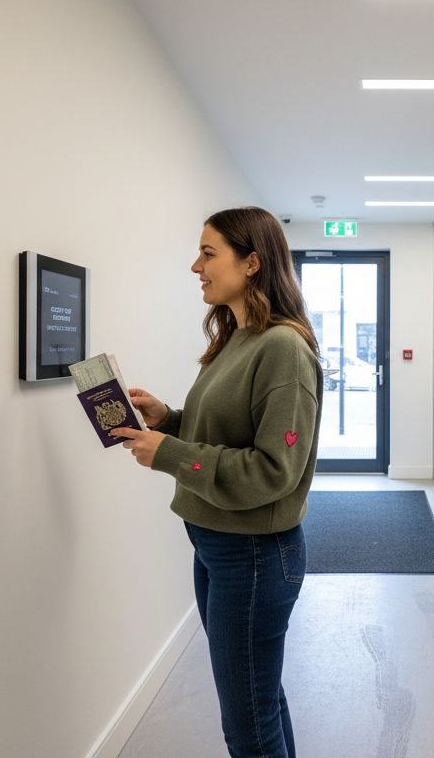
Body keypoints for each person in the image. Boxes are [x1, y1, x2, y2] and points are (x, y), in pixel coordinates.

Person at [110, 206, 322, 758]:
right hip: (215, 546)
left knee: (249, 725)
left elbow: (274, 471)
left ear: (252, 263)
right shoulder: (238, 338)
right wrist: (168, 420)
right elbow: (228, 434)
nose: (194, 266)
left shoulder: (283, 349)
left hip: (253, 555)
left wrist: (170, 453)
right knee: (260, 702)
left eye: (208, 253)